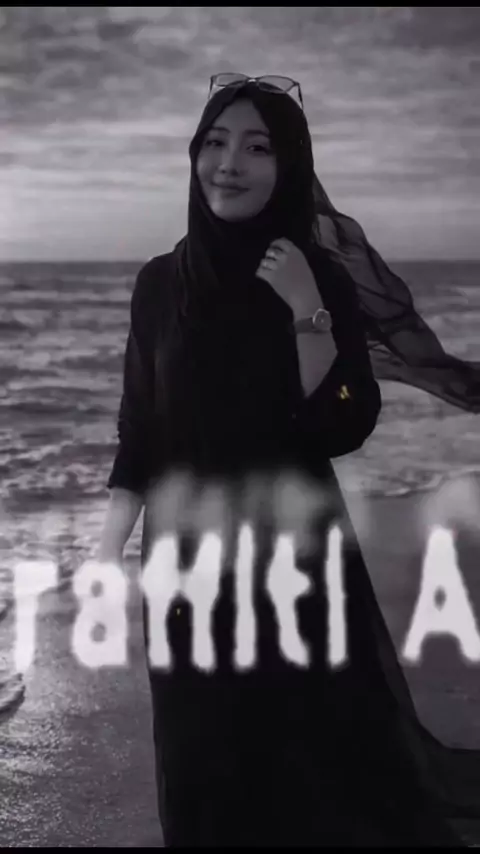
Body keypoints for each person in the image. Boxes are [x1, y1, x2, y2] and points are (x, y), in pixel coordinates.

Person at [100, 75, 480, 846]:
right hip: (184, 563)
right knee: (199, 764)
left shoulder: (320, 278)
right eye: (215, 142)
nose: (229, 163)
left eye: (258, 147)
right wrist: (108, 551)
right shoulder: (159, 284)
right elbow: (140, 429)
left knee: (312, 769)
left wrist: (307, 310)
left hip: (297, 556)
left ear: (290, 167)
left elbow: (341, 425)